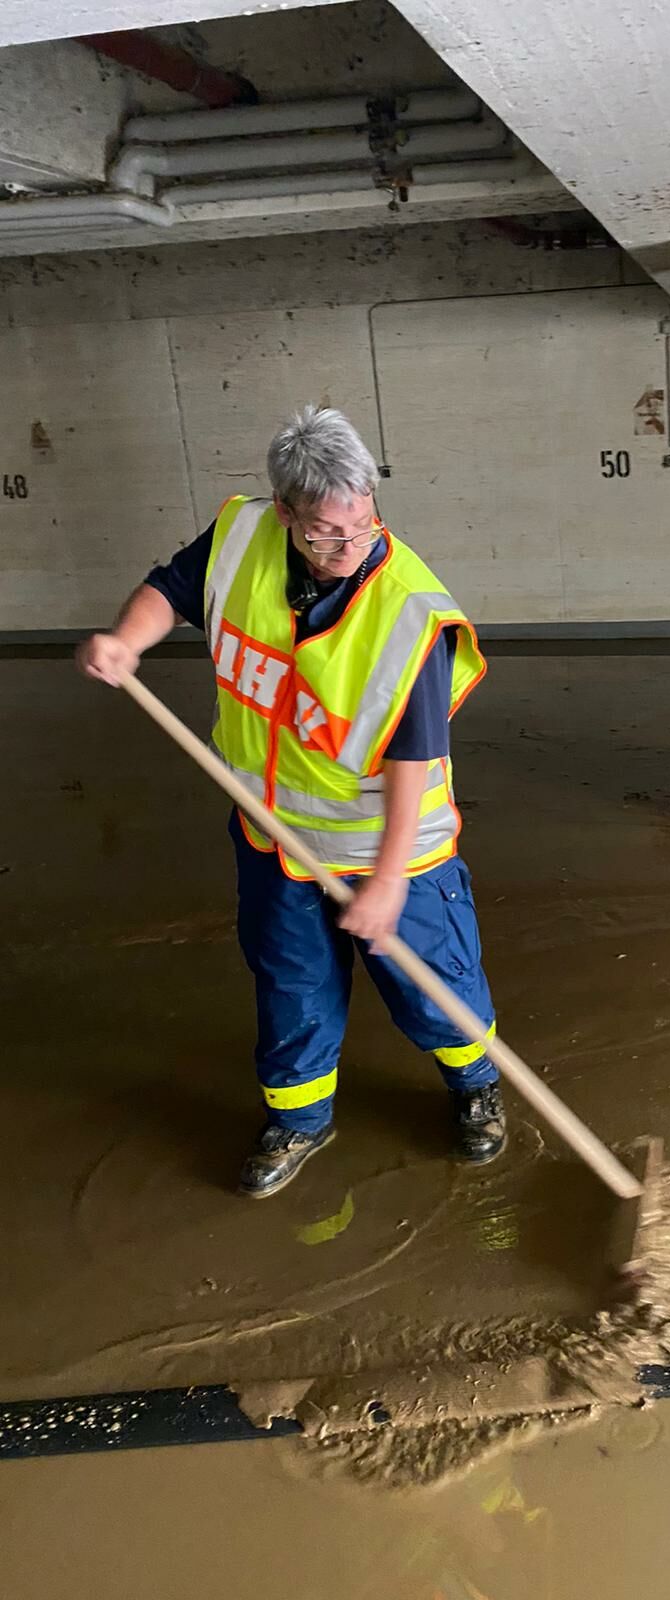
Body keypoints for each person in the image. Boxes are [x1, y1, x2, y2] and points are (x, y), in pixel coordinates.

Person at [77, 405, 506, 1197]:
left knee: (432, 984)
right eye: (324, 533)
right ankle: (301, 1119)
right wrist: (126, 640)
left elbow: (415, 757)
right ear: (284, 511)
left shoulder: (409, 613)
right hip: (274, 833)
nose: (349, 547)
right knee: (291, 982)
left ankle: (476, 1085)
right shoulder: (242, 538)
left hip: (393, 846)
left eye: (363, 525)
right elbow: (172, 586)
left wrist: (384, 881)